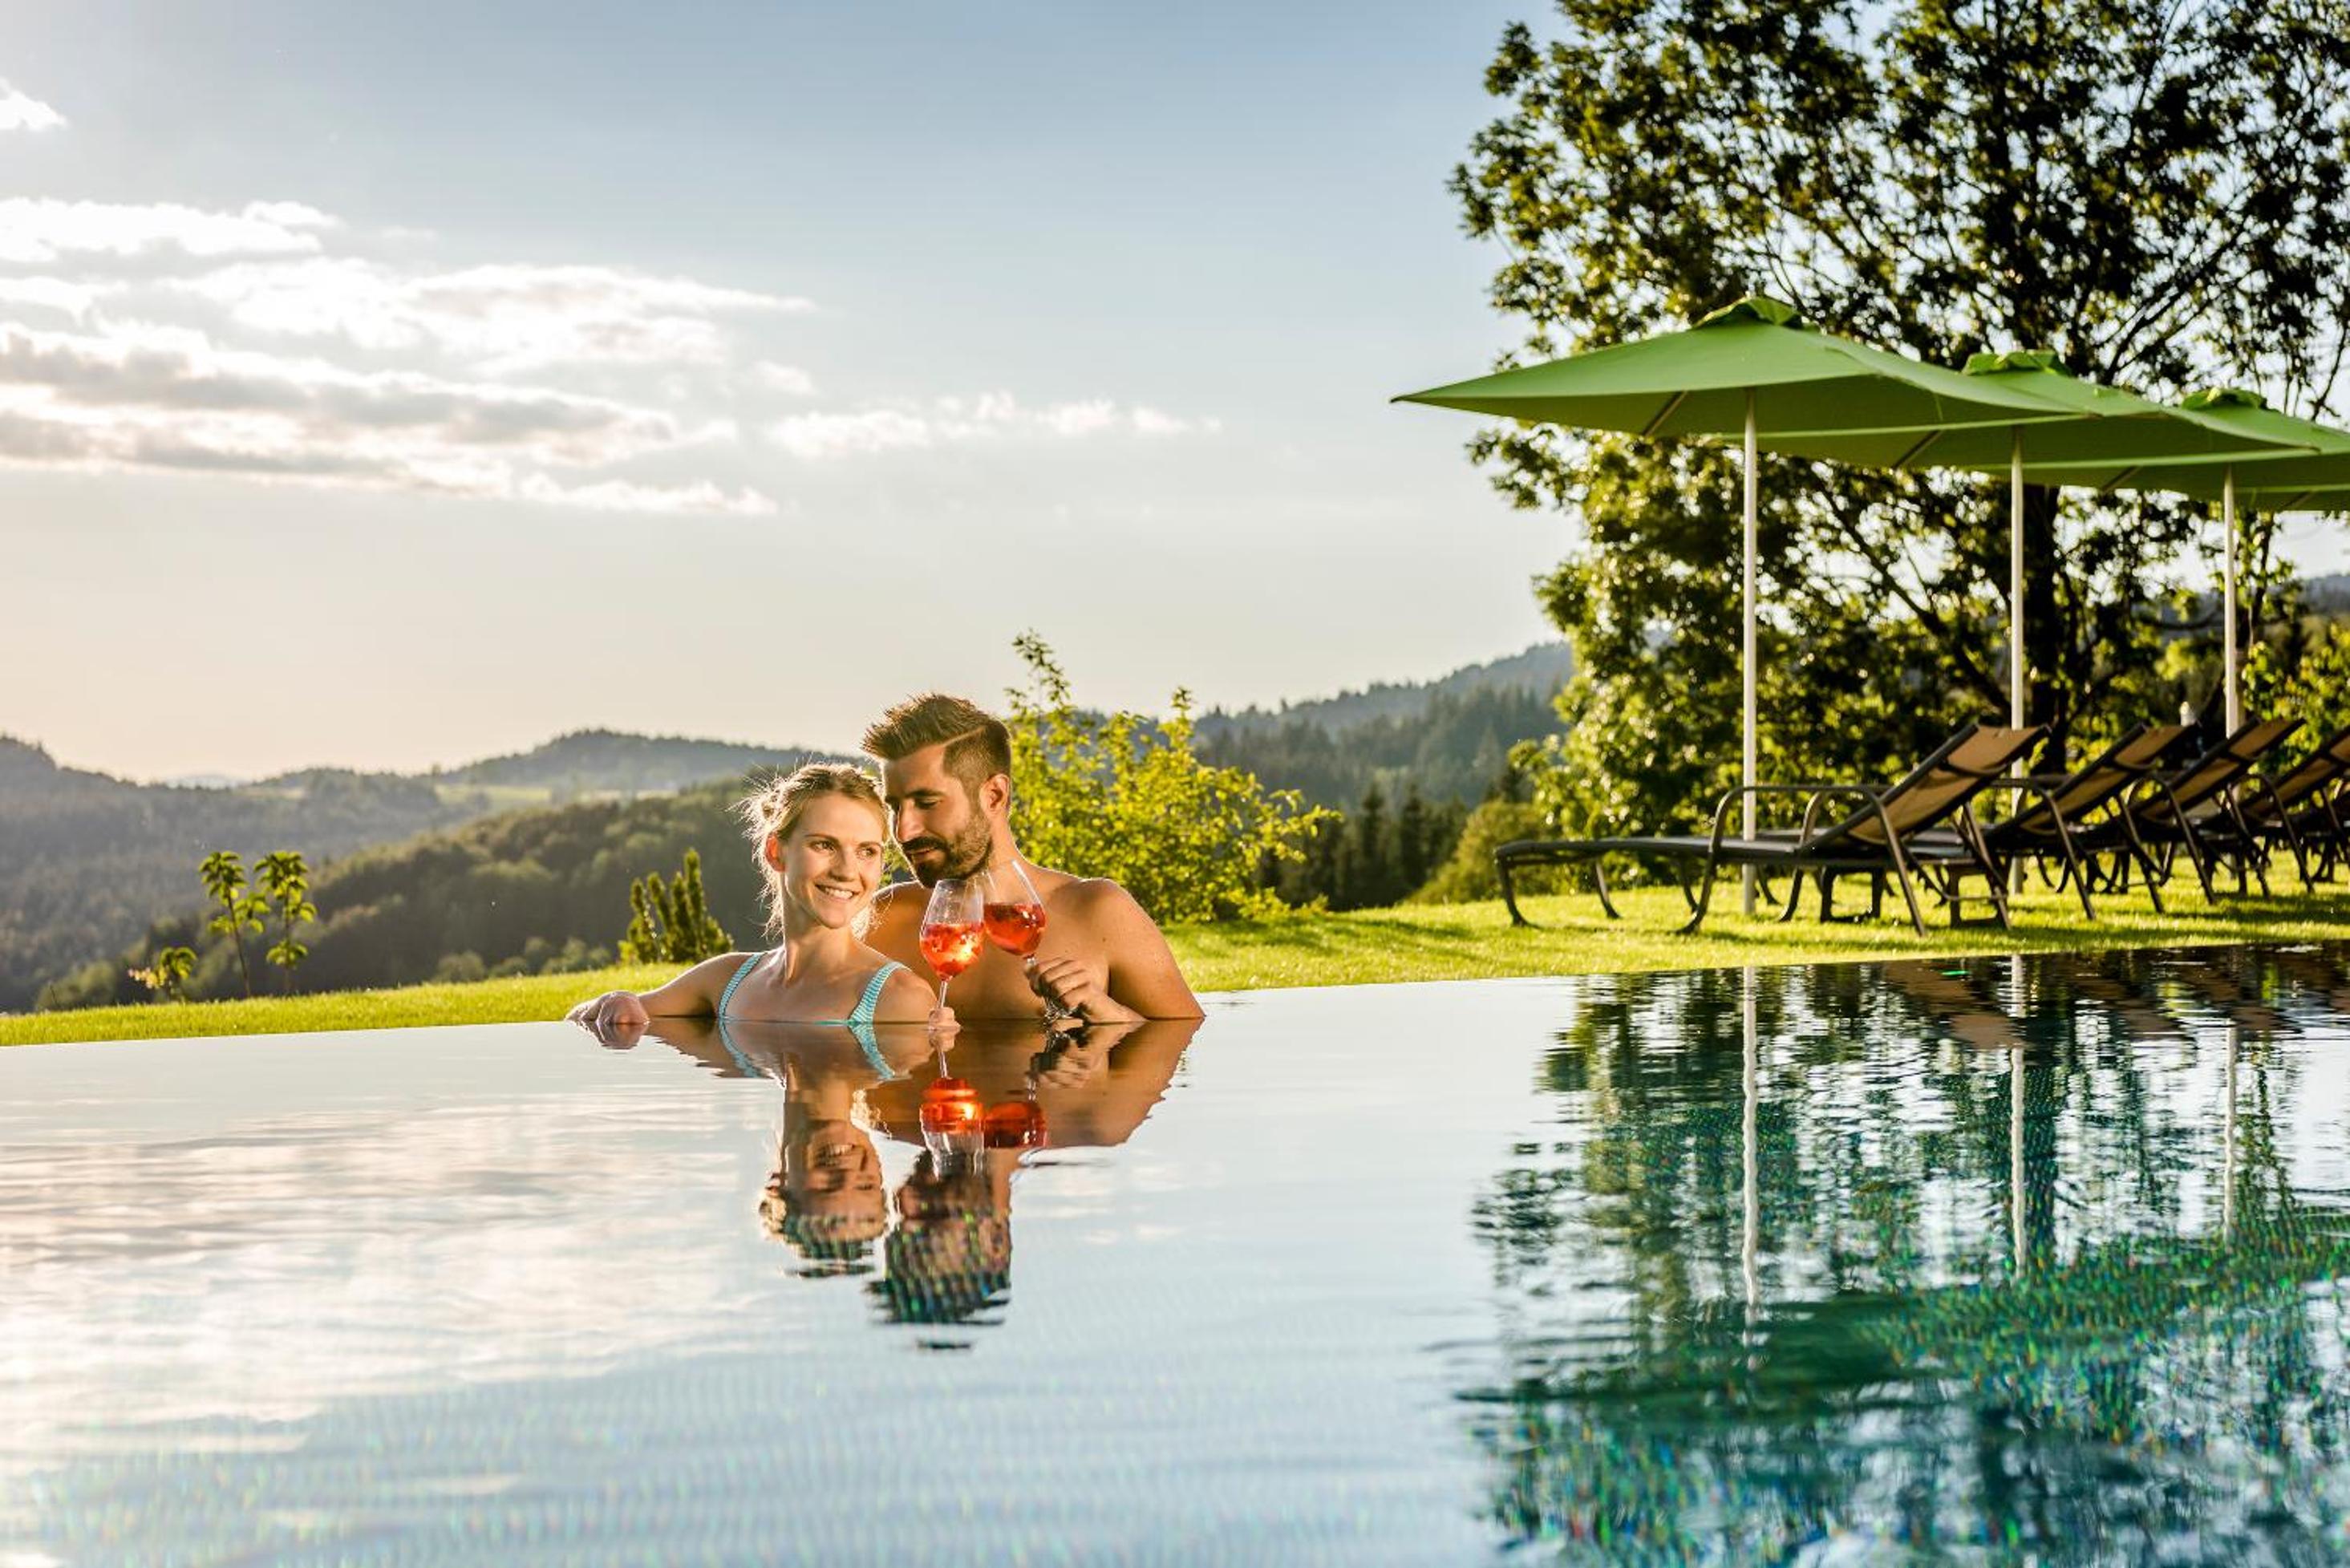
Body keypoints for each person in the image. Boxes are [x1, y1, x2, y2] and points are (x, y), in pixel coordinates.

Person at [859, 693, 1203, 1024]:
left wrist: (1112, 1016)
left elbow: (1186, 1039)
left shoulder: (1100, 912)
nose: (903, 830)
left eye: (927, 803)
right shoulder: (882, 919)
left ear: (994, 796)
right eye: (895, 807)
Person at [569, 762, 949, 1036]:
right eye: (824, 845)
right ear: (775, 851)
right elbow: (583, 1019)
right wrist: (615, 1001)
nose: (847, 870)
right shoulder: (726, 980)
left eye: (867, 851)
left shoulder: (899, 1000)